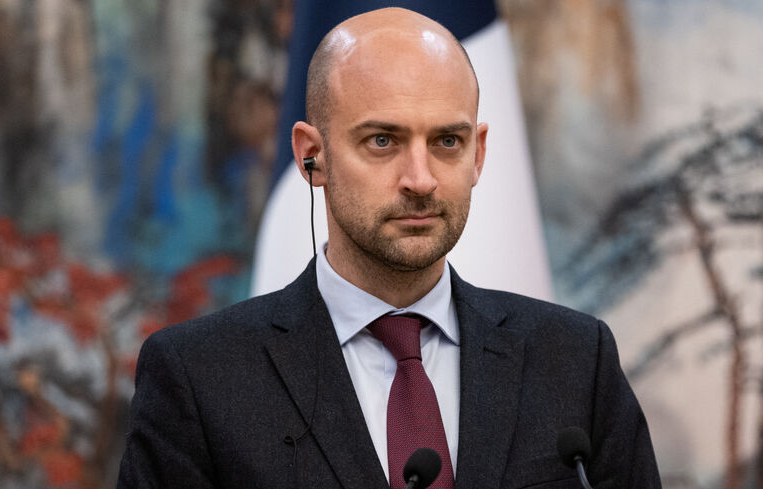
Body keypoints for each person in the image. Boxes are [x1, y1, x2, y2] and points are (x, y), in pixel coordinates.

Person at [117, 7, 661, 489]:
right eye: (383, 141)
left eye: (448, 141)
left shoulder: (573, 360)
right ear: (313, 155)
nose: (420, 179)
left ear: (478, 154)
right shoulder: (199, 377)